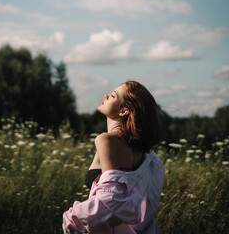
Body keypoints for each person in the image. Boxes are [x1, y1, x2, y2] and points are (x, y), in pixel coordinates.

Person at [62, 80, 165, 233]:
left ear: (124, 111)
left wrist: (74, 218)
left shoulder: (106, 141)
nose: (106, 95)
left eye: (113, 95)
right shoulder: (147, 153)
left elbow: (111, 200)